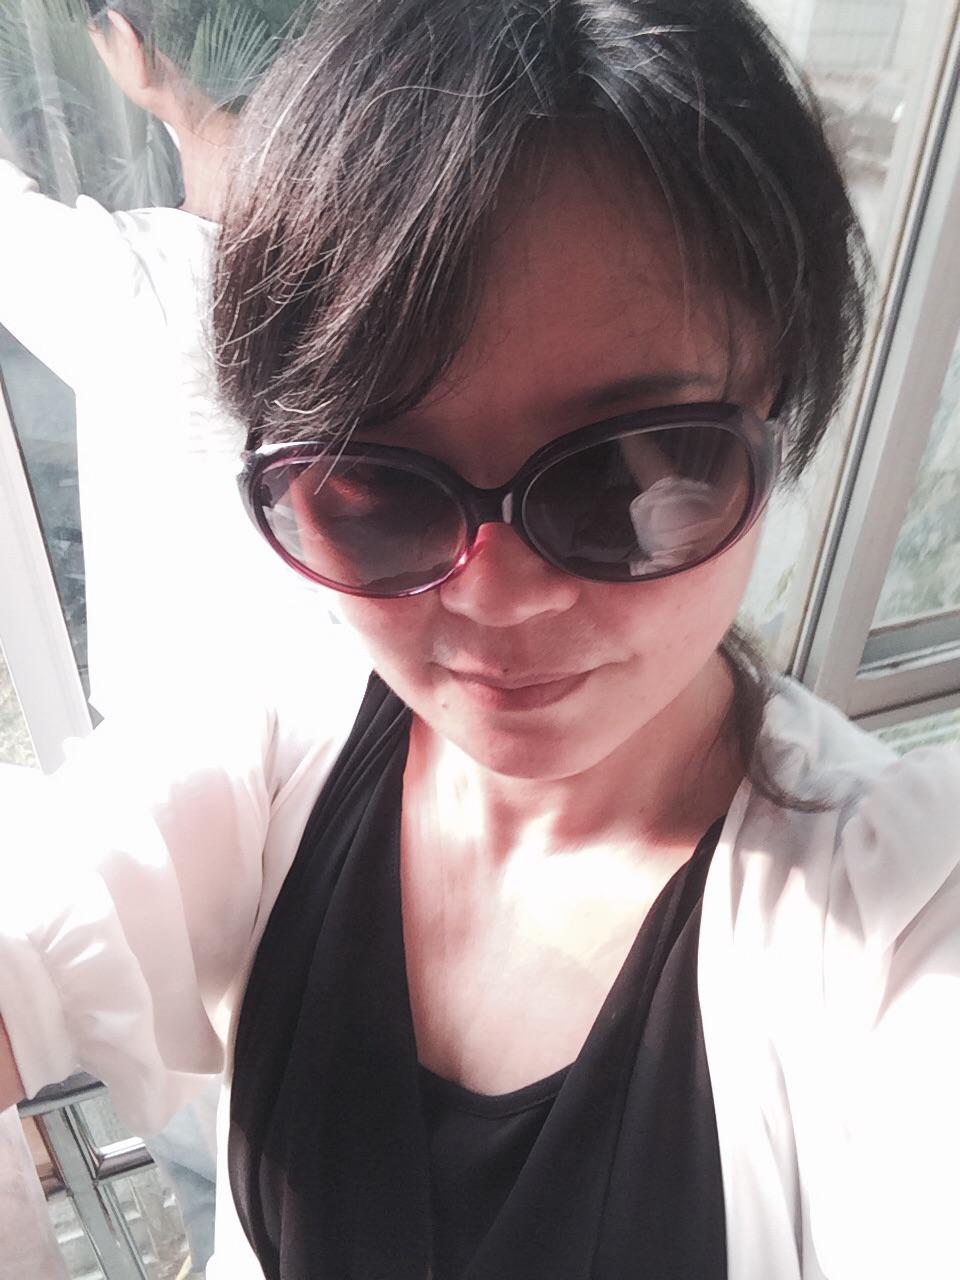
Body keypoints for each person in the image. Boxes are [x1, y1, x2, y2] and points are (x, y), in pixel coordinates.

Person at [2, 2, 960, 1278]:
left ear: (777, 410)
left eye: (625, 471)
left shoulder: (900, 923)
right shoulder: (288, 731)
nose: (500, 597)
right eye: (378, 486)